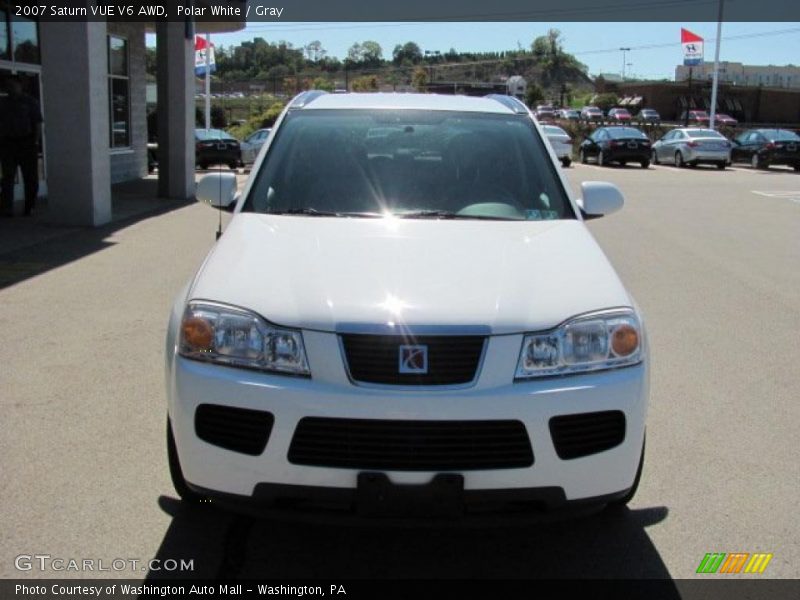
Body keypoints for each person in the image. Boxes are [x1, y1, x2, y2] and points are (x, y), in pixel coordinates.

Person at [0, 76, 43, 217]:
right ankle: (7, 208)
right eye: (7, 86)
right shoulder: (3, 103)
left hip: (26, 143)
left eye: (12, 86)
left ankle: (29, 206)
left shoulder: (30, 102)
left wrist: (35, 142)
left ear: (20, 86)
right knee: (7, 177)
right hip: (8, 143)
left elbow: (37, 123)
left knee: (30, 177)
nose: (10, 89)